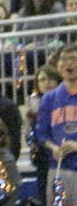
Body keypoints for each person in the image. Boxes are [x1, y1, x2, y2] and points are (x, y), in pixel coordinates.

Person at [36, 42, 77, 204]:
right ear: (58, 65)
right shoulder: (49, 98)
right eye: (64, 59)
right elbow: (42, 133)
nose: (69, 63)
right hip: (58, 169)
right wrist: (53, 148)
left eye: (73, 59)